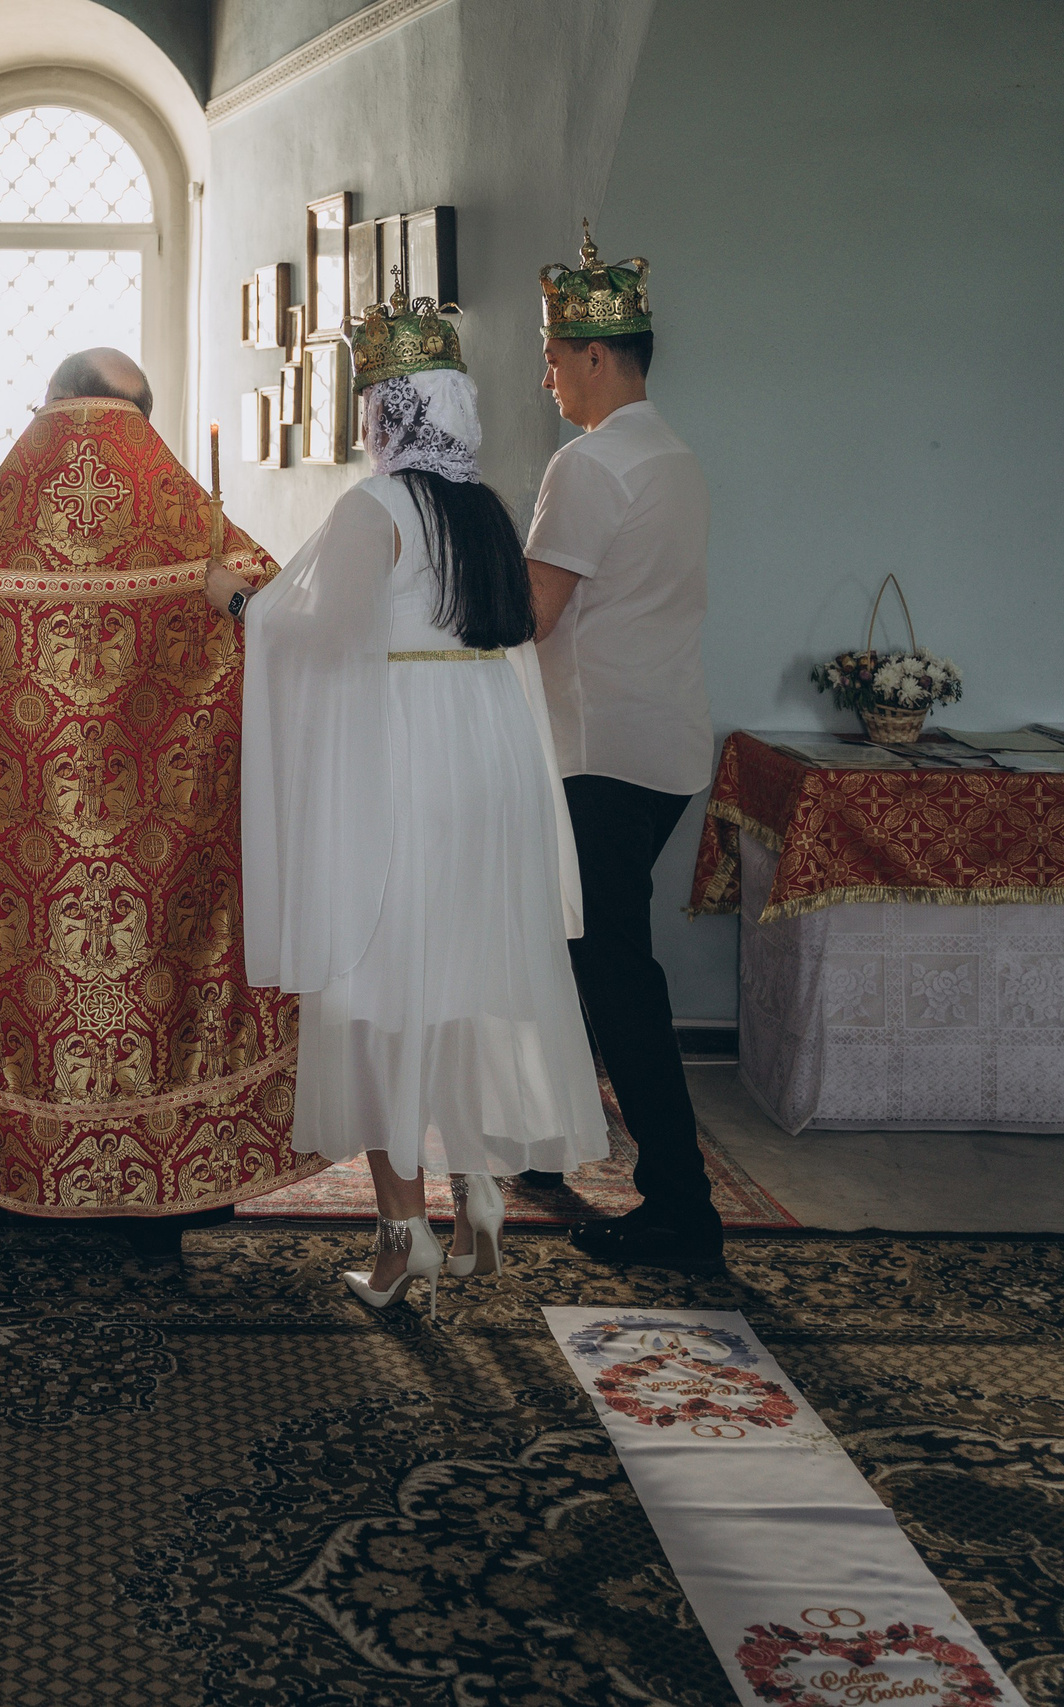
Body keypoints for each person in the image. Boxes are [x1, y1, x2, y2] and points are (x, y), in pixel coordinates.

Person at [0, 348, 327, 1219]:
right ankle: (186, 1181)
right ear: (146, 417)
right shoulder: (189, 522)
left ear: (49, 403)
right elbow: (275, 619)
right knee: (172, 973)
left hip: (32, 830)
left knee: (9, 975)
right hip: (169, 832)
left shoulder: (8, 520)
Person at [231, 286, 609, 1314]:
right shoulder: (483, 508)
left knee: (377, 992)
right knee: (455, 980)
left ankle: (404, 1238)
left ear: (389, 417)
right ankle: (476, 1191)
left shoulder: (374, 506)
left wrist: (234, 602)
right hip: (484, 761)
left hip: (401, 762)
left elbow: (308, 631)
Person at [525, 223, 721, 1277]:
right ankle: (545, 1139)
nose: (544, 373)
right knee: (576, 956)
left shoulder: (590, 464)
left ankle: (680, 1208)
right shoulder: (673, 455)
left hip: (598, 751)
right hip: (663, 746)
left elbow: (531, 613)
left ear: (599, 355)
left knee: (612, 974)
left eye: (552, 354)